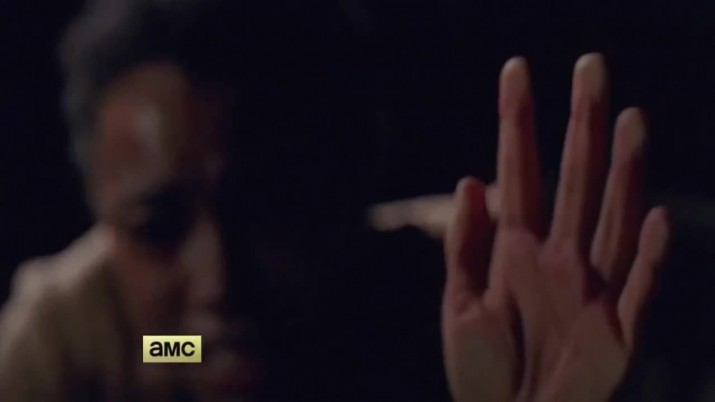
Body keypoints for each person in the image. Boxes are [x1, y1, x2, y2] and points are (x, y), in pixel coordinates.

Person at [0, 1, 669, 401]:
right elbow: (164, 350)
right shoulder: (87, 337)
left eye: (270, 209)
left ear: (352, 179)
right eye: (157, 227)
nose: (219, 281)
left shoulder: (485, 295)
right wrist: (177, 351)